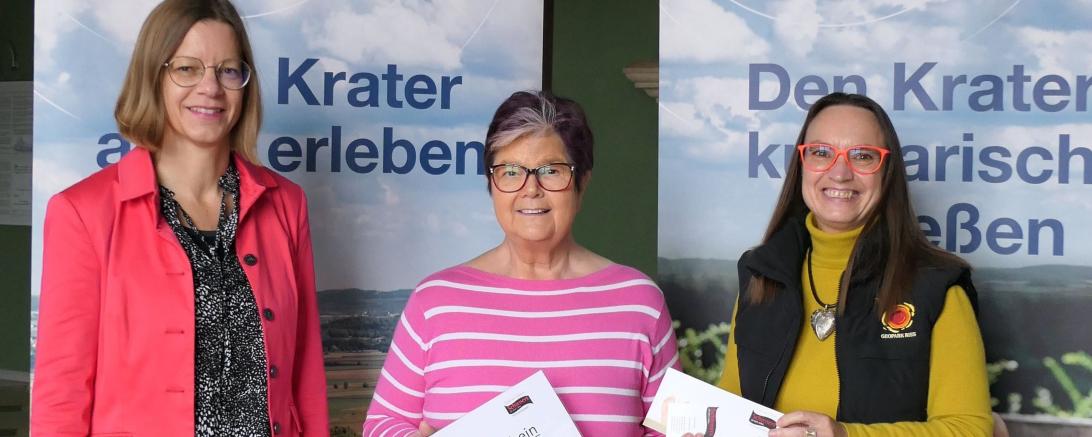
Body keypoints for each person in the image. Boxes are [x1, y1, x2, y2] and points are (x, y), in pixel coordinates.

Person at [31, 1, 328, 435]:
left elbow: (306, 377)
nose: (210, 87)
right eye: (187, 69)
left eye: (228, 70)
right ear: (153, 77)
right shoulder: (82, 213)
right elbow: (63, 393)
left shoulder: (287, 204)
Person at [362, 90, 680, 436]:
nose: (531, 189)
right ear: (491, 183)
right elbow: (383, 425)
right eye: (511, 171)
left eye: (551, 170)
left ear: (582, 182)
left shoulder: (639, 302)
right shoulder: (435, 302)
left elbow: (673, 430)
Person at [717, 92, 992, 437]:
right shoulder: (761, 274)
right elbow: (729, 403)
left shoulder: (936, 286)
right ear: (801, 164)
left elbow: (969, 429)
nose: (841, 173)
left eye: (863, 156)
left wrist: (847, 435)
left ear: (887, 172)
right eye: (821, 153)